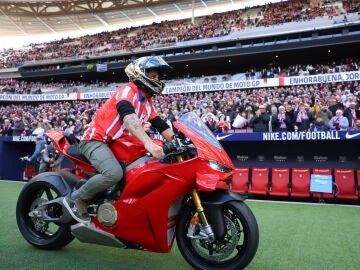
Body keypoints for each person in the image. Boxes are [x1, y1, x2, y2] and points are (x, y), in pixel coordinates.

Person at [63, 56, 175, 223]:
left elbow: (161, 125)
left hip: (115, 143)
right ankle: (78, 198)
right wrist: (148, 143)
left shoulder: (147, 101)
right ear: (140, 74)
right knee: (113, 173)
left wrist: (181, 141)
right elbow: (129, 117)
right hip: (95, 140)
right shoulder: (128, 90)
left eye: (157, 77)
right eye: (152, 75)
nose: (156, 79)